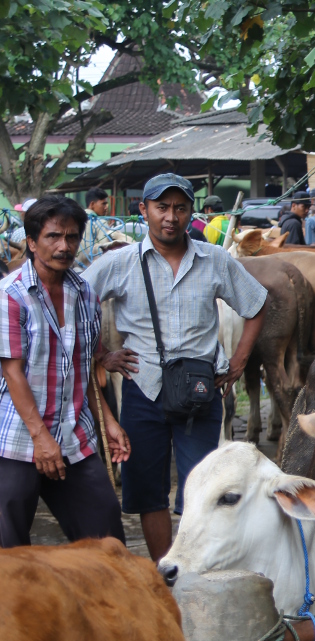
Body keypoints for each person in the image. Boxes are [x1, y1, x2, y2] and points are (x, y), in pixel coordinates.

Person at [84, 173, 267, 561]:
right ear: (144, 210)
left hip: (200, 390)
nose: (171, 217)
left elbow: (256, 304)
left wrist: (239, 361)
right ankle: (163, 572)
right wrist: (102, 355)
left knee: (202, 490)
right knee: (148, 491)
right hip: (142, 387)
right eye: (162, 207)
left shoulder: (215, 259)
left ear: (190, 213)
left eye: (180, 208)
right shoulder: (119, 262)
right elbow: (78, 303)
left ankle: (193, 571)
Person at [0, 196, 128, 547]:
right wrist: (41, 438)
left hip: (73, 436)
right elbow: (12, 373)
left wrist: (108, 420)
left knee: (106, 538)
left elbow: (85, 367)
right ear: (31, 242)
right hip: (16, 440)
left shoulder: (84, 293)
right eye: (53, 236)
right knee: (10, 553)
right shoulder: (10, 295)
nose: (64, 246)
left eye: (72, 237)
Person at [75, 188, 115, 271]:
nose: (106, 207)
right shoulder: (100, 222)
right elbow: (105, 248)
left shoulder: (75, 220)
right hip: (91, 268)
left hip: (74, 267)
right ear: (92, 204)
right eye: (103, 204)